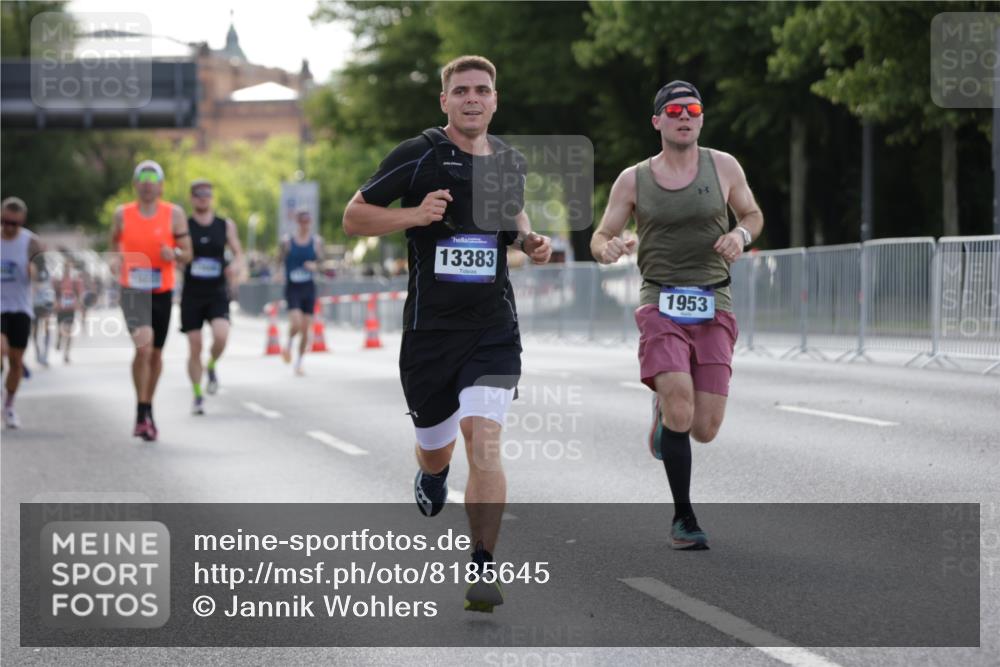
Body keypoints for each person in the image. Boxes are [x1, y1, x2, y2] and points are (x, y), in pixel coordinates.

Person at [343, 55, 552, 612]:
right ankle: (431, 475)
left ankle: (483, 569)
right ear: (445, 101)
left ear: (494, 100)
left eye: (482, 90)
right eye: (461, 90)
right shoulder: (418, 155)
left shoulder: (509, 162)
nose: (472, 99)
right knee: (437, 450)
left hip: (492, 329)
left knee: (484, 443)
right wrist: (414, 216)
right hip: (431, 333)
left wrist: (530, 241)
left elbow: (514, 221)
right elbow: (354, 217)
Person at [591, 80, 763, 551]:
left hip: (714, 300)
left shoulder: (723, 166)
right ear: (658, 121)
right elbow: (603, 233)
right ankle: (683, 518)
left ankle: (664, 416)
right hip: (660, 300)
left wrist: (741, 238)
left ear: (701, 118)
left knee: (704, 428)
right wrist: (609, 246)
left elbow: (751, 213)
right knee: (681, 407)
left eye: (692, 108)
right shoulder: (634, 178)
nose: (684, 115)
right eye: (674, 109)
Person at [109, 160, 192, 441]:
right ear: (135, 186)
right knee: (143, 347)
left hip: (162, 290)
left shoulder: (174, 214)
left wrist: (175, 254)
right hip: (132, 289)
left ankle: (146, 408)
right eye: (142, 182)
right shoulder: (122, 214)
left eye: (152, 181)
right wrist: (114, 261)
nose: (147, 186)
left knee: (156, 354)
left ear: (160, 186)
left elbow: (188, 253)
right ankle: (140, 410)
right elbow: (113, 243)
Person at [179, 179, 245, 414]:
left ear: (212, 197)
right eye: (198, 193)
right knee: (194, 346)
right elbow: (176, 253)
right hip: (192, 293)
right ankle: (197, 395)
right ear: (191, 198)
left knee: (221, 336)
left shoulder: (225, 225)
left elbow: (238, 253)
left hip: (217, 291)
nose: (203, 197)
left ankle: (212, 364)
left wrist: (236, 266)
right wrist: (176, 257)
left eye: (207, 193)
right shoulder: (184, 226)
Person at [1, 197, 44, 428]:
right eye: (4, 221)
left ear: (22, 221)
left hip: (20, 307)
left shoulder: (31, 242)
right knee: (1, 348)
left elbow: (43, 274)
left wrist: (33, 270)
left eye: (13, 223)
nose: (8, 227)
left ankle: (8, 406)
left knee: (16, 362)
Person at [277, 207, 324, 376]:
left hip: (308, 288)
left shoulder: (316, 242)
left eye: (308, 220)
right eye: (302, 221)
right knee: (296, 323)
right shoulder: (287, 241)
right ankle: (288, 343)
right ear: (297, 222)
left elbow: (322, 263)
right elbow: (279, 259)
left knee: (306, 329)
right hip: (293, 287)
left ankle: (299, 362)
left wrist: (315, 266)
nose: (306, 224)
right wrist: (278, 273)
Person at [53, 255, 83, 364]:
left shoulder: (75, 279)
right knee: (61, 329)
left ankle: (66, 354)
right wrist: (55, 302)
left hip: (71, 308)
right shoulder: (58, 278)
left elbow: (79, 293)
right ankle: (59, 339)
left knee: (69, 331)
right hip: (61, 308)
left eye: (69, 267)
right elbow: (54, 291)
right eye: (66, 267)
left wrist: (79, 303)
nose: (67, 269)